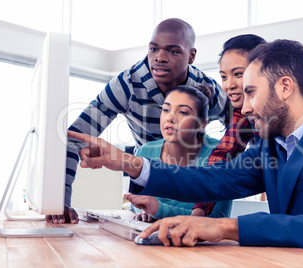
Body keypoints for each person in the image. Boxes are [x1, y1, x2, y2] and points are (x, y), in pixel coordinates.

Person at [68, 39, 303, 267]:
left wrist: (226, 228)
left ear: (284, 87)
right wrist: (128, 163)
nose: (245, 106)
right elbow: (213, 179)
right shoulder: (271, 146)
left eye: (251, 92)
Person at [45, 18, 228, 224]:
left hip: (194, 188)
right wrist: (59, 200)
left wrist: (222, 161)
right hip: (148, 177)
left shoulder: (207, 89)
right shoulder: (127, 85)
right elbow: (74, 137)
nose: (159, 58)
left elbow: (241, 129)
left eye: (173, 51)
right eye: (153, 49)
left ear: (191, 56)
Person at [192, 34, 303, 216]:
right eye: (223, 77)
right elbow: (222, 159)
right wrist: (199, 212)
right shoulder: (244, 115)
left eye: (238, 74)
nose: (229, 85)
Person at [129, 85, 231, 222]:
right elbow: (136, 200)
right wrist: (143, 210)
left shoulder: (220, 153)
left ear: (201, 124)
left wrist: (159, 210)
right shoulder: (144, 151)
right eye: (166, 109)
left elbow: (218, 217)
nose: (170, 118)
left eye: (183, 112)